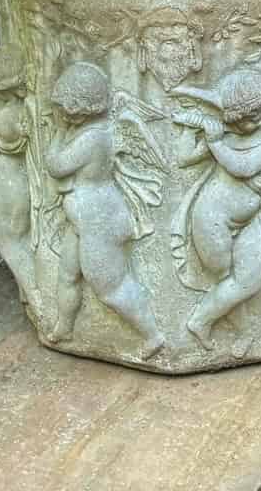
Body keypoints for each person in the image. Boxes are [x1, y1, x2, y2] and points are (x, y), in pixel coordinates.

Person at [44, 61, 164, 359]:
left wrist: (58, 132)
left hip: (100, 223)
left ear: (76, 108)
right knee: (67, 275)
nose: (59, 112)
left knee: (110, 288)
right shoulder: (89, 129)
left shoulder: (93, 137)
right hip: (82, 223)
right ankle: (65, 327)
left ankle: (152, 335)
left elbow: (56, 166)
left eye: (62, 107)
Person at [171, 68, 261, 350]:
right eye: (247, 119)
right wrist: (190, 128)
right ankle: (211, 325)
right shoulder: (225, 134)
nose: (256, 121)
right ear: (233, 116)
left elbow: (242, 167)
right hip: (211, 221)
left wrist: (215, 141)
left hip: (248, 220)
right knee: (225, 279)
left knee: (248, 281)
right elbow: (185, 159)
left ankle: (202, 320)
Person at [0, 45, 37, 306]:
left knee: (9, 237)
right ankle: (31, 291)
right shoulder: (13, 105)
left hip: (13, 182)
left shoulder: (13, 113)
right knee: (17, 237)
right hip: (12, 178)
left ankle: (37, 295)